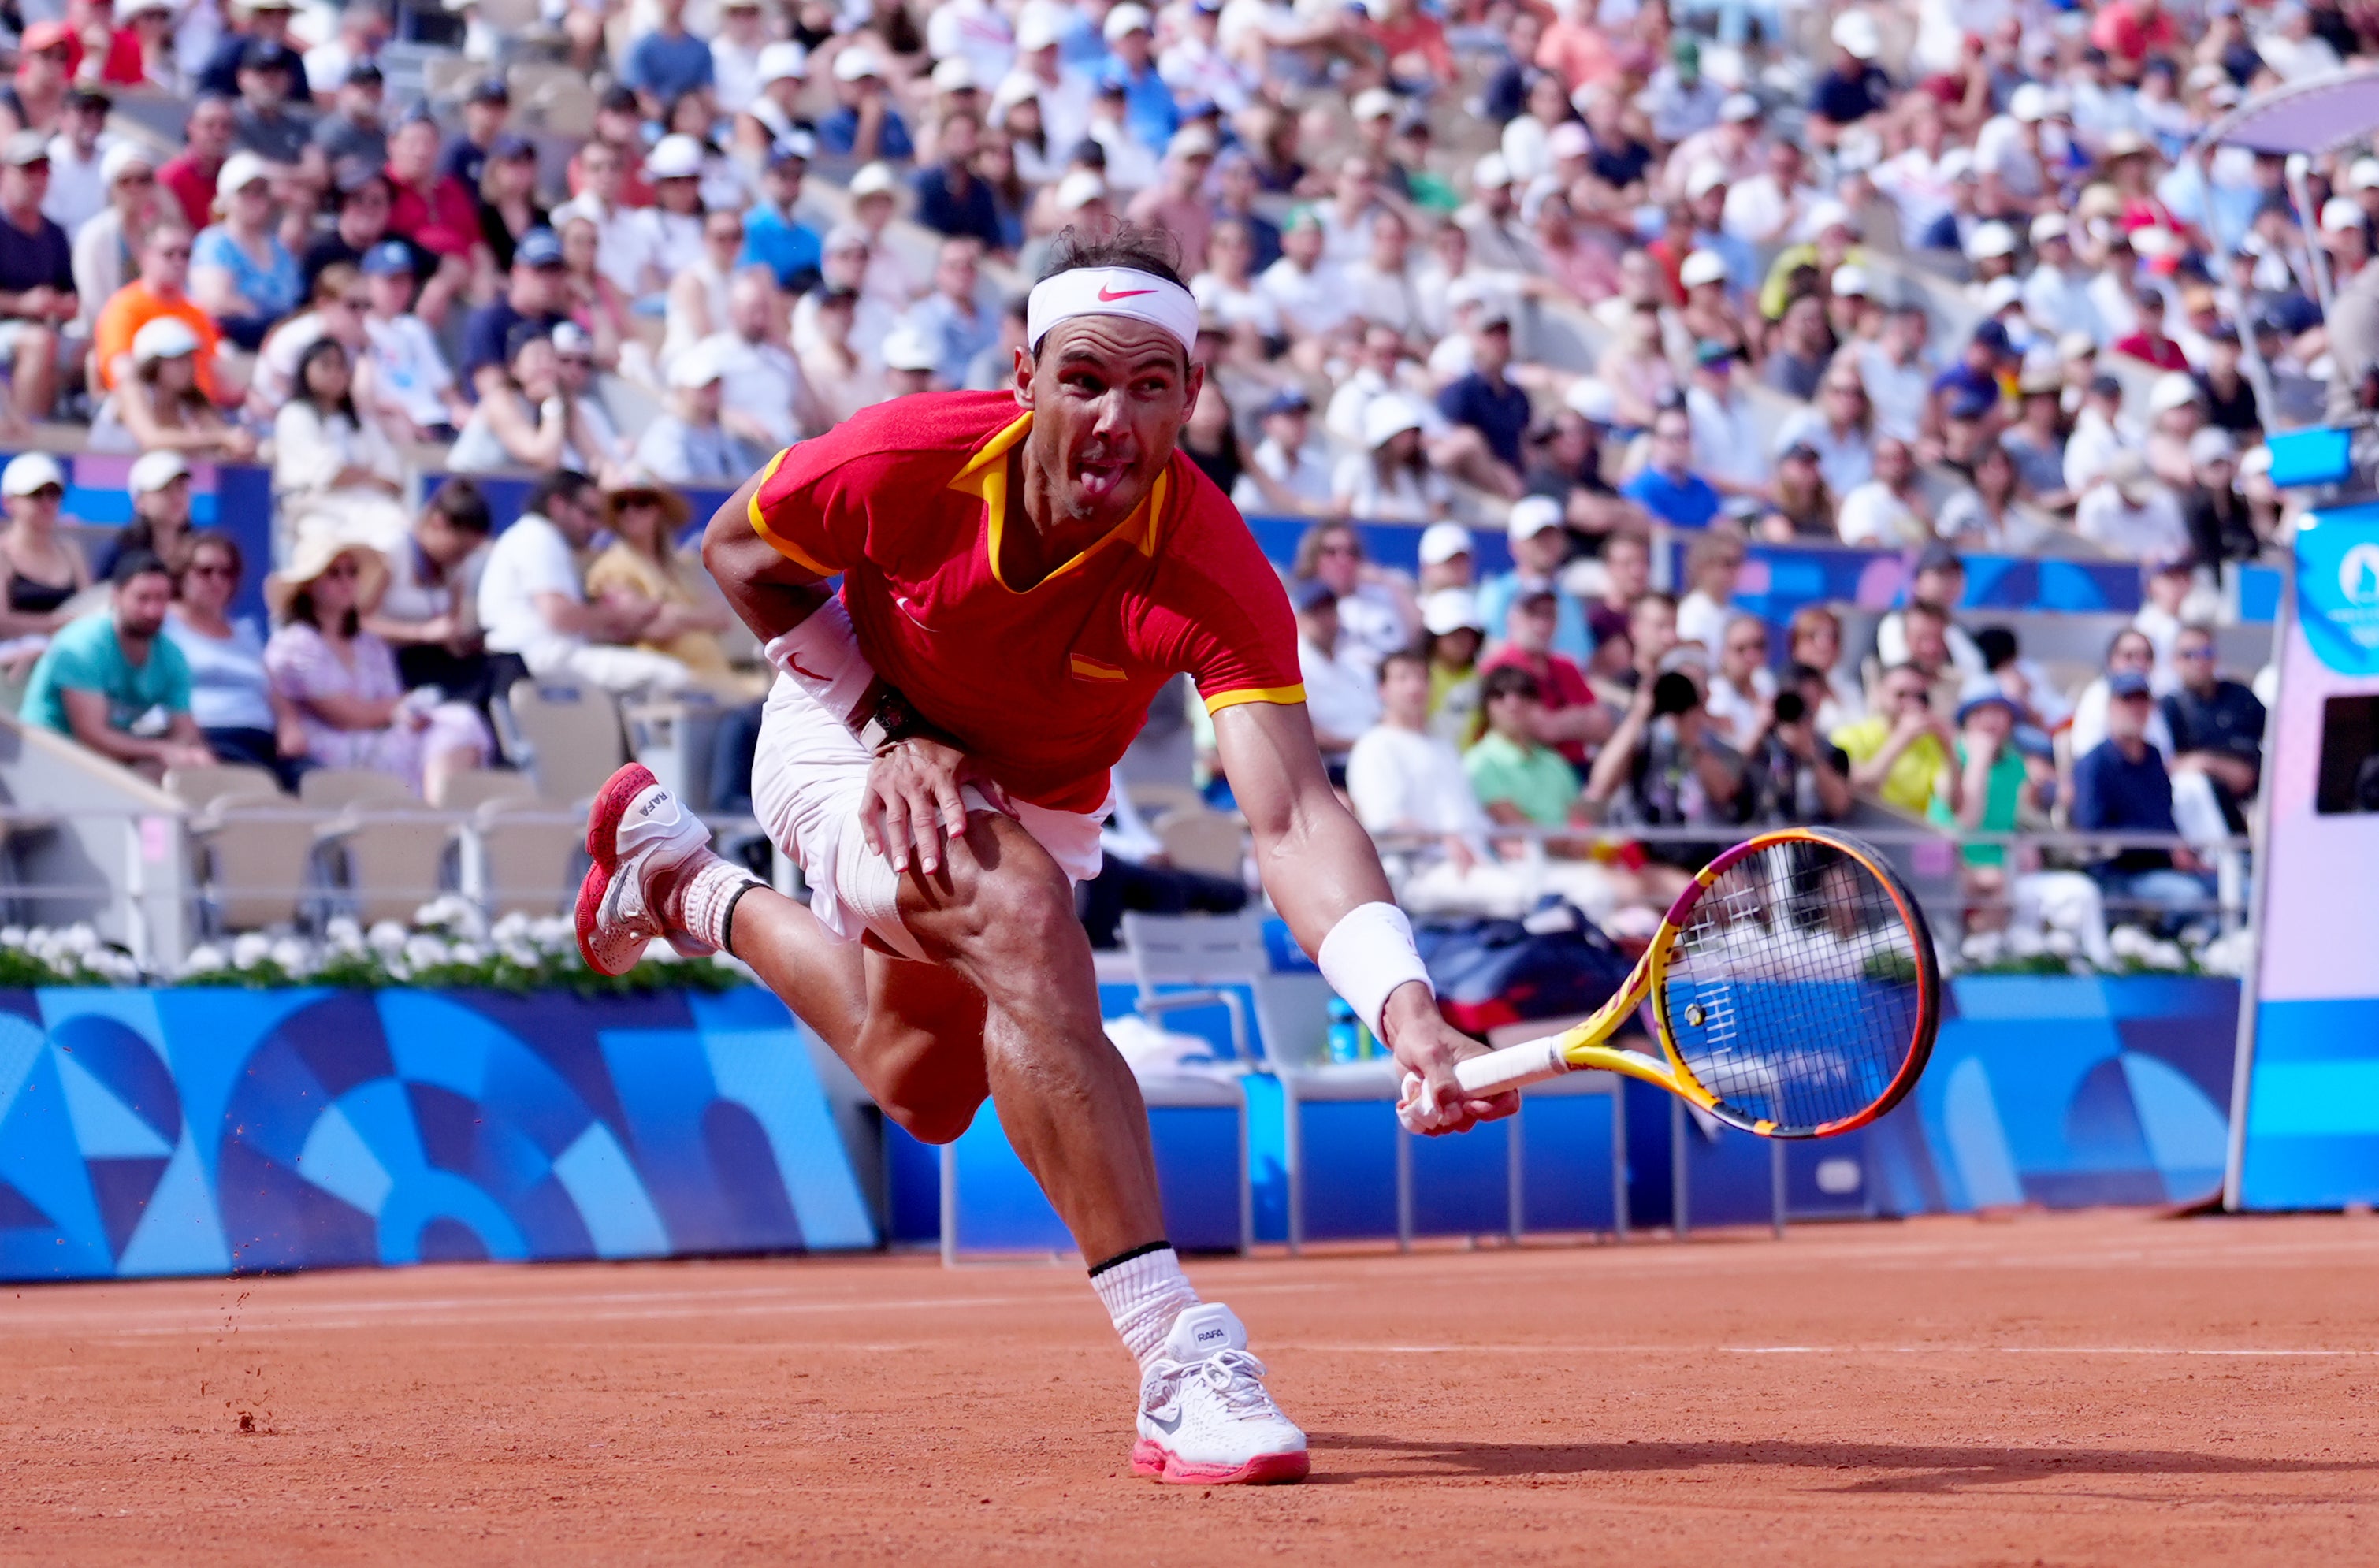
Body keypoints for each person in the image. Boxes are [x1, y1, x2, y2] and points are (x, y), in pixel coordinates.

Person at [584, 226, 1515, 1486]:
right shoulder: (903, 455)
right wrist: (890, 728)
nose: (1114, 418)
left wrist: (1404, 1009)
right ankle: (1177, 1354)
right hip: (844, 722)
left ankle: (682, 882)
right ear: (1022, 376)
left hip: (1035, 798)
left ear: (1191, 397)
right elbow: (738, 553)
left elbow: (1292, 814)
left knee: (921, 1084)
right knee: (1023, 917)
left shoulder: (1214, 568)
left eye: (1150, 386)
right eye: (1083, 378)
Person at [264, 537, 489, 799]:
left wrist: (406, 711)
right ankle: (440, 820)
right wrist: (399, 707)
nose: (346, 581)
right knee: (452, 727)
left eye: (352, 572)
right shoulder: (295, 643)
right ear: (309, 586)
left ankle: (441, 819)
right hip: (329, 750)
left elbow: (387, 700)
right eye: (334, 574)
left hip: (378, 739)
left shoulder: (368, 643)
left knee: (459, 721)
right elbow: (347, 716)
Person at [477, 469, 691, 696]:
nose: (596, 526)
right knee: (671, 675)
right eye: (589, 513)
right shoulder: (537, 537)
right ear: (558, 505)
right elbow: (560, 616)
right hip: (534, 661)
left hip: (542, 658)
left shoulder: (539, 537)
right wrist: (622, 612)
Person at [20, 549, 210, 781]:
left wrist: (189, 755)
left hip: (106, 766)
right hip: (47, 760)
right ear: (116, 597)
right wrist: (162, 750)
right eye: (143, 598)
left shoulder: (172, 656)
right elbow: (92, 736)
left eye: (161, 598)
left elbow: (185, 729)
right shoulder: (81, 646)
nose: (153, 609)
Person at [584, 470, 752, 694]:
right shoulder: (609, 568)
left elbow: (722, 617)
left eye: (642, 502)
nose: (631, 511)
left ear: (659, 509)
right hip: (669, 693)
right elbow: (653, 629)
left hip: (716, 681)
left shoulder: (682, 565)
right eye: (622, 504)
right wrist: (695, 616)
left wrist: (677, 615)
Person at [165, 529, 308, 788]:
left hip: (263, 742)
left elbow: (273, 692)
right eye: (205, 571)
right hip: (208, 737)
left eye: (227, 572)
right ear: (182, 574)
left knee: (317, 782)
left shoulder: (245, 633)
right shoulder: (163, 624)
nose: (217, 580)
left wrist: (289, 726)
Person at [2074, 670, 2214, 928]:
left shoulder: (2153, 758)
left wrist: (2185, 853)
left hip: (2165, 868)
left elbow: (2164, 816)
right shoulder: (2093, 765)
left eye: (2142, 701)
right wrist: (2165, 849)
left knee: (2239, 890)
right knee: (2194, 898)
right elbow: (2092, 833)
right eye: (2127, 701)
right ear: (2111, 707)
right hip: (2123, 876)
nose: (2136, 709)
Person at [273, 336, 407, 555]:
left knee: (398, 535)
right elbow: (330, 473)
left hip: (367, 506)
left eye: (341, 366)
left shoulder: (361, 423)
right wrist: (367, 475)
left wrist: (355, 476)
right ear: (306, 369)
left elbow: (393, 478)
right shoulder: (294, 415)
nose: (335, 373)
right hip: (313, 509)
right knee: (324, 544)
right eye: (326, 365)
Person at [366, 477, 493, 697]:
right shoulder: (392, 551)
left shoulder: (457, 569)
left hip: (425, 664)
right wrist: (420, 633)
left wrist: (463, 641)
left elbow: (449, 631)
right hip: (380, 662)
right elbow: (357, 623)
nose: (462, 559)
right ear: (438, 523)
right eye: (460, 550)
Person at [0, 130, 76, 425]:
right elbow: (25, 306)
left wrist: (61, 305)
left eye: (43, 170)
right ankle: (25, 436)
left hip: (46, 329)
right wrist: (23, 304)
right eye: (27, 169)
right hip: (13, 331)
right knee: (40, 342)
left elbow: (71, 297)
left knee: (98, 352)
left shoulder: (54, 233)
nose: (37, 178)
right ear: (4, 173)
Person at [96, 315, 252, 459]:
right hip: (99, 481)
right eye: (176, 360)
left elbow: (223, 437)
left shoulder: (192, 401)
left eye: (188, 359)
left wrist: (237, 446)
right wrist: (221, 439)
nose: (187, 367)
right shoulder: (131, 389)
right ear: (153, 364)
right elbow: (151, 439)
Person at [2162, 622, 2265, 830]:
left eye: (2206, 652)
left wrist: (2206, 762)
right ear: (2175, 661)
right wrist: (2209, 766)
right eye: (2189, 654)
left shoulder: (2239, 695)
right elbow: (2168, 765)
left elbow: (2271, 741)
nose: (2199, 661)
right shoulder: (2169, 708)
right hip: (2202, 810)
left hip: (2258, 796)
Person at [1833, 662, 1959, 819]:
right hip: (1861, 832)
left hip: (1909, 836)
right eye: (1901, 694)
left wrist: (1949, 748)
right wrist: (1902, 738)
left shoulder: (1930, 744)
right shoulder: (1852, 735)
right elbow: (1862, 790)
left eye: (1920, 697)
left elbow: (1953, 803)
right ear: (1879, 693)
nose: (1912, 703)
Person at [0, 452, 91, 641]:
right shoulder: (3, 554)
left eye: (54, 494)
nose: (46, 503)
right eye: (35, 494)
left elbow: (88, 611)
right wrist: (55, 624)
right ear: (8, 502)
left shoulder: (71, 551)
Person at [634, 344, 752, 485]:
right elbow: (681, 487)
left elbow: (741, 481)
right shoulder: (666, 434)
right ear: (680, 389)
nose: (712, 389)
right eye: (703, 384)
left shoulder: (722, 433)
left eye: (716, 383)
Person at [99, 449, 199, 581]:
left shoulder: (203, 552)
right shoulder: (119, 553)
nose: (176, 497)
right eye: (164, 489)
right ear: (140, 502)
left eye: (181, 488)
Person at [1621, 406, 1723, 530]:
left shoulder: (1703, 488)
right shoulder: (1638, 489)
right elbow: (1659, 534)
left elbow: (1720, 528)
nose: (1681, 445)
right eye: (1673, 438)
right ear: (1655, 441)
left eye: (1686, 437)